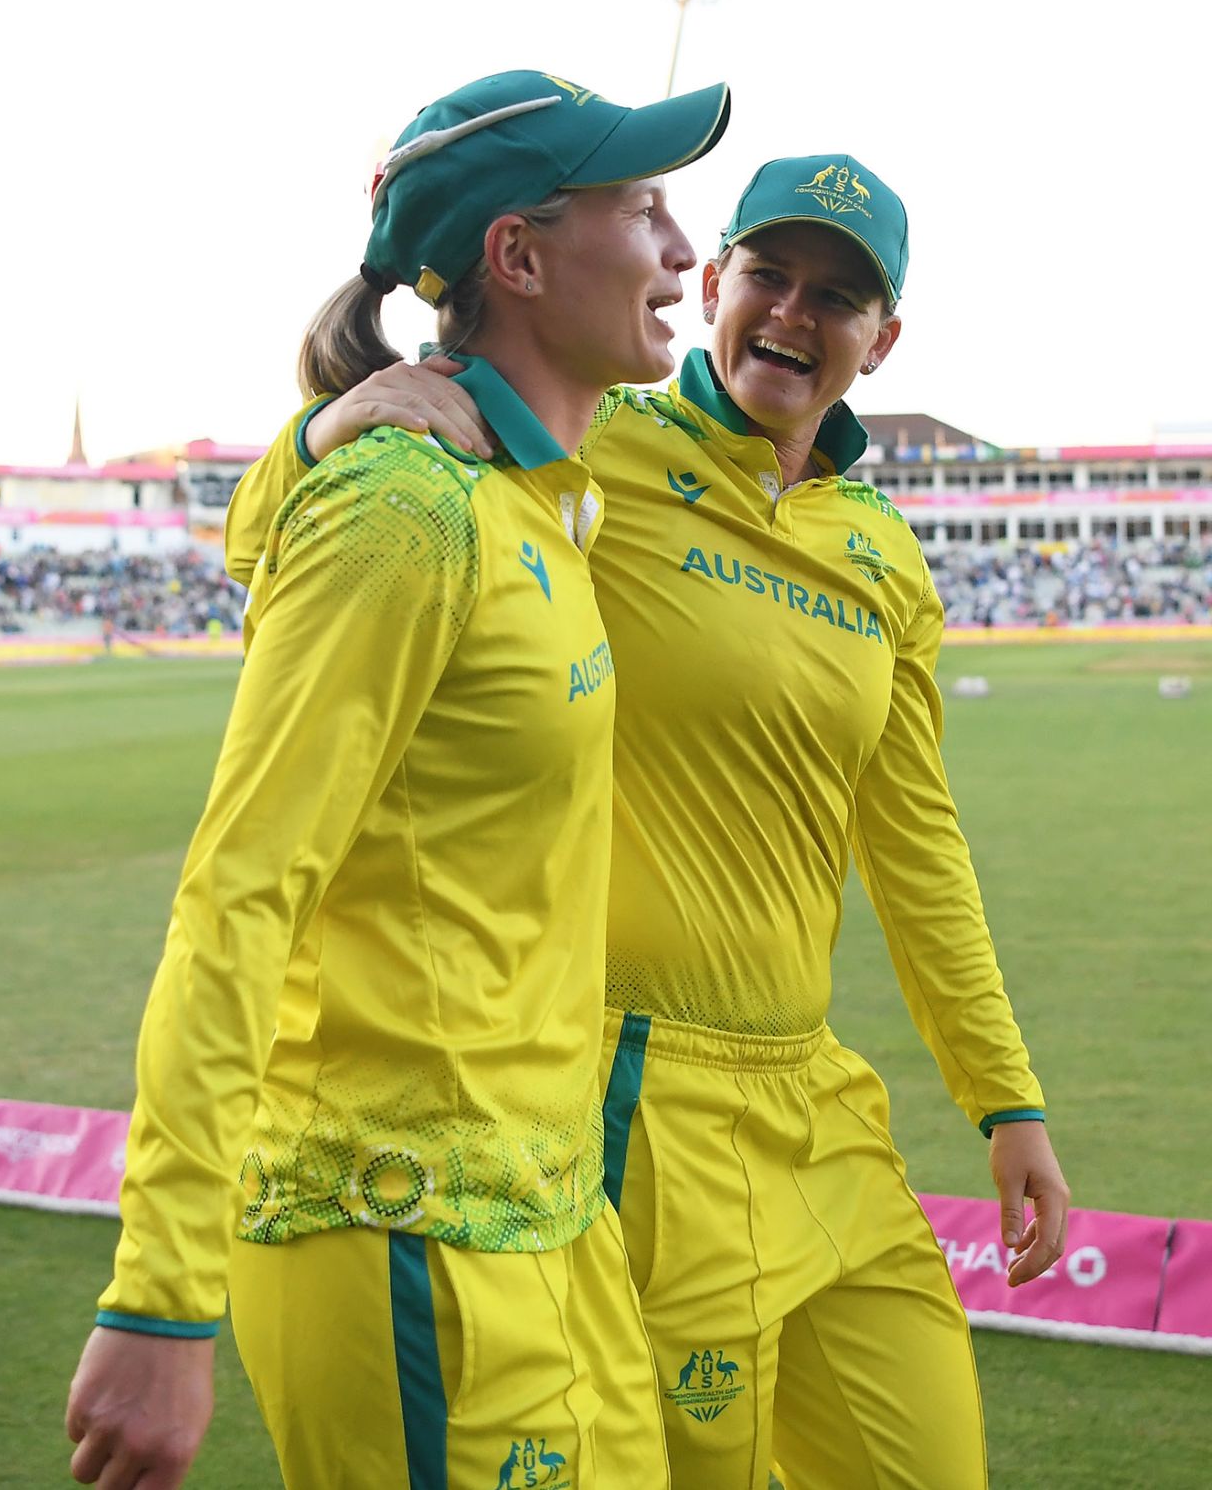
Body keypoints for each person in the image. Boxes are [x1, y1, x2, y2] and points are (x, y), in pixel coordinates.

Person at [228, 151, 1071, 1490]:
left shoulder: (882, 552)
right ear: (722, 277)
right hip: (639, 1097)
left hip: (819, 1103)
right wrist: (321, 433)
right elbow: (303, 537)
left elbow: (916, 847)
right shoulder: (596, 440)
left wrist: (1004, 1099)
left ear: (883, 338)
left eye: (838, 297)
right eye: (772, 276)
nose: (794, 314)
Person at [64, 67, 730, 1490]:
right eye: (648, 208)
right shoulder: (407, 510)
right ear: (521, 255)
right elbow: (241, 896)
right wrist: (160, 1291)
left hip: (557, 1231)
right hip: (407, 1239)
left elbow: (270, 530)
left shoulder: (544, 483)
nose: (688, 254)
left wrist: (308, 435)